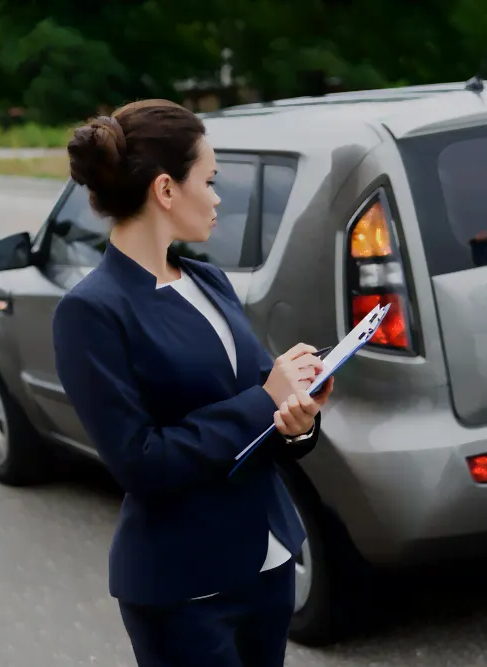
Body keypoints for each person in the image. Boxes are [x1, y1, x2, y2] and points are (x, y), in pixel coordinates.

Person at [51, 99, 334, 667]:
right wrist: (264, 400)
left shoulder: (207, 279)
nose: (218, 196)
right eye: (209, 179)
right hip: (185, 590)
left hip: (268, 560)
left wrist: (299, 420)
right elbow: (141, 461)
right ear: (165, 190)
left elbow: (262, 409)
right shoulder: (91, 312)